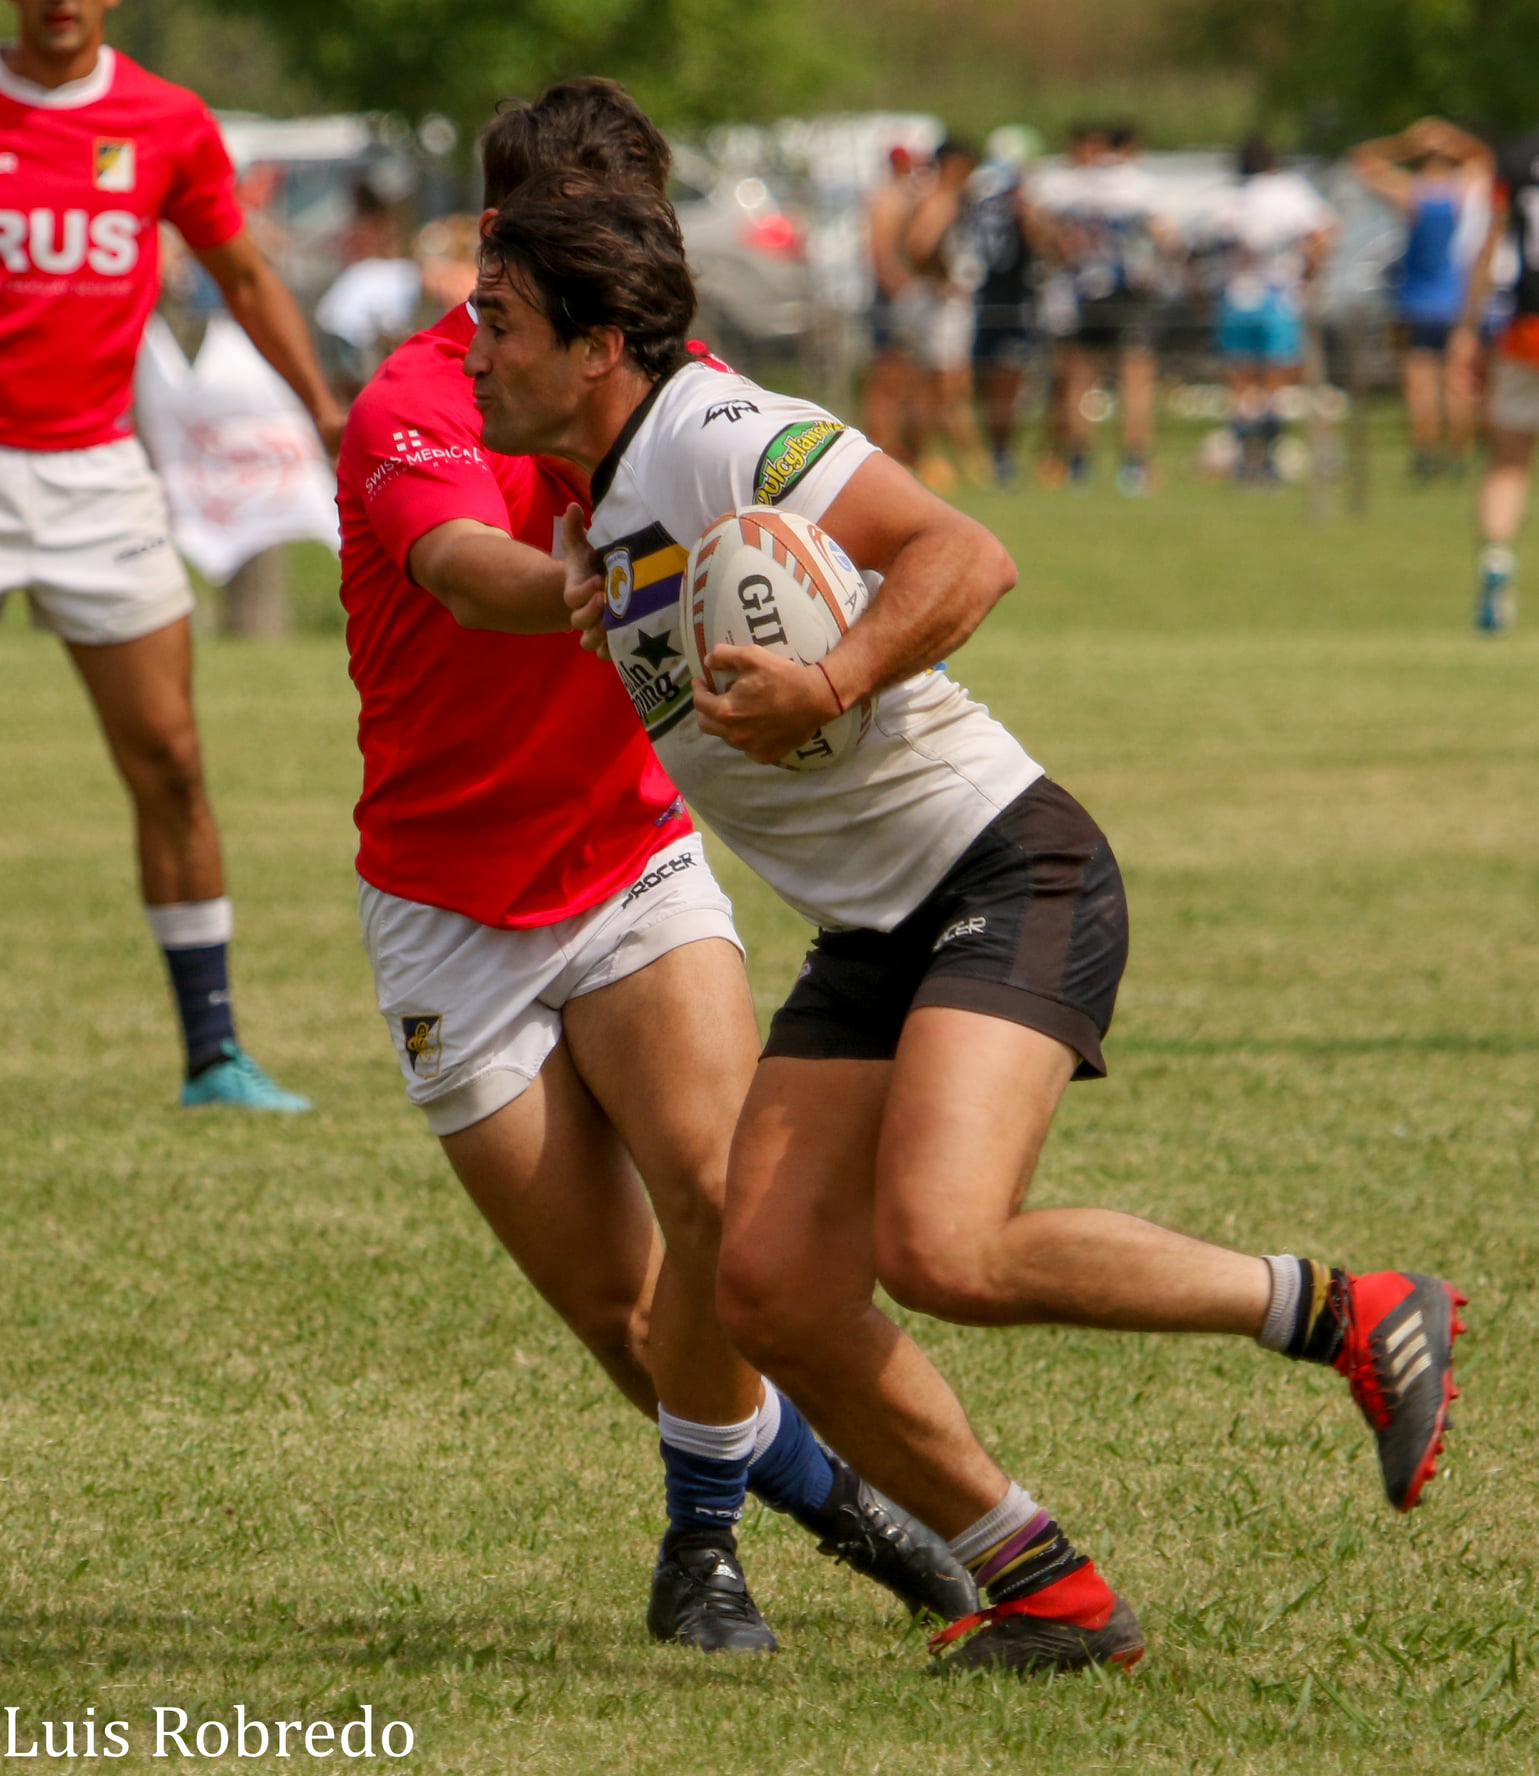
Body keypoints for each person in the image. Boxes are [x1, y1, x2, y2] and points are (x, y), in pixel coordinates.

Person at [467, 172, 1467, 1677]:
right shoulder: (600, 489)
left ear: (598, 344)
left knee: (942, 1247)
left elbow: (962, 552)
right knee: (768, 1290)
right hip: (871, 928)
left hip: (1003, 870)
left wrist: (833, 675)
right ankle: (1044, 1590)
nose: (471, 347)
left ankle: (1349, 1311)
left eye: (499, 322)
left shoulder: (713, 433)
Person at [334, 77, 972, 1657]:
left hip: (626, 860)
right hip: (448, 915)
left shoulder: (685, 404)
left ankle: (702, 1555)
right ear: (498, 245)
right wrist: (572, 568)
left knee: (719, 1210)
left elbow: (842, 529)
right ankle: (828, 1500)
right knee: (631, 1322)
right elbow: (461, 571)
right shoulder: (417, 399)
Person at [0, 0, 343, 1109]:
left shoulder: (166, 119)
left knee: (174, 763)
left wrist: (327, 411)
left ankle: (214, 1055)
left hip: (101, 477)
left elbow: (242, 279)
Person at [1036, 123, 1174, 494]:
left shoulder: (1074, 186)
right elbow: (1164, 235)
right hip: (1124, 290)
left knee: (1080, 379)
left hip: (1083, 289)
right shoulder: (1134, 184)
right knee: (1136, 379)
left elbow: (1046, 230)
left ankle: (1078, 463)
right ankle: (1134, 465)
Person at [1352, 118, 1494, 478]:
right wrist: (1453, 140)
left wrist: (1404, 144)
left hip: (1416, 299)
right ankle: (1459, 452)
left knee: (1420, 381)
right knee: (1457, 381)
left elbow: (1362, 159)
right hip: (1457, 299)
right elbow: (1487, 161)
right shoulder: (1464, 192)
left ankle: (1425, 450)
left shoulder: (1410, 192)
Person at [1202, 137, 1336, 481]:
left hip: (1236, 297)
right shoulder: (1291, 191)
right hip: (1278, 295)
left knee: (1241, 385)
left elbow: (1208, 245)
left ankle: (1246, 459)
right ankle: (1268, 460)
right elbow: (1323, 233)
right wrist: (1309, 275)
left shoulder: (1229, 197)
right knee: (1275, 383)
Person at [1453, 127, 1539, 632]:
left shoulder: (1515, 157)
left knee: (1507, 462)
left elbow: (1487, 246)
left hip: (1524, 331)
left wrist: (1468, 329)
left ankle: (1497, 558)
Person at [899, 136, 992, 491]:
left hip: (939, 305)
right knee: (950, 385)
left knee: (938, 385)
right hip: (941, 307)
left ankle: (936, 458)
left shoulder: (941, 198)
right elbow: (919, 244)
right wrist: (942, 277)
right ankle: (968, 462)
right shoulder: (942, 200)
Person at [968, 127, 1048, 486]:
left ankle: (996, 453)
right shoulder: (1012, 200)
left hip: (981, 295)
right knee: (1005, 382)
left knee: (991, 381)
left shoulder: (973, 192)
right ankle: (998, 454)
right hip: (1007, 298)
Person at [861, 144, 925, 465]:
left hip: (899, 294)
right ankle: (883, 445)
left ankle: (900, 445)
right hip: (892, 297)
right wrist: (904, 290)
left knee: (903, 375)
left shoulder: (902, 196)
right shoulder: (887, 199)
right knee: (887, 376)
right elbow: (881, 253)